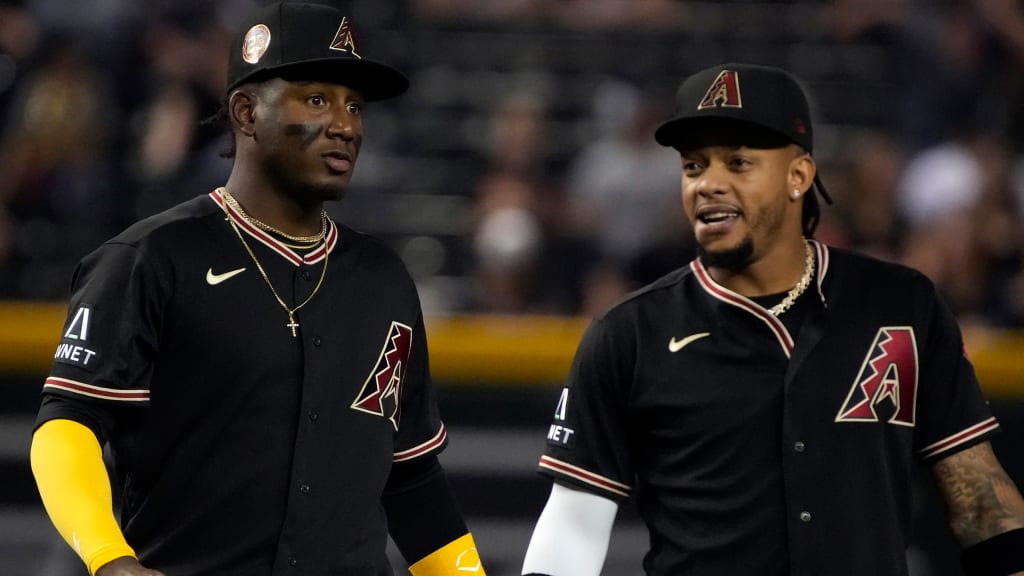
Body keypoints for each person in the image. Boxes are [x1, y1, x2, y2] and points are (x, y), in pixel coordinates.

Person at [29, 3, 485, 575]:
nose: (345, 124)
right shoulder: (150, 258)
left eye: (354, 106)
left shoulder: (383, 280)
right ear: (246, 111)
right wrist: (109, 560)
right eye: (317, 99)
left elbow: (412, 476)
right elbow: (67, 425)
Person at [520, 62, 1024, 576]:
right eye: (694, 166)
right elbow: (574, 523)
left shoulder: (900, 305)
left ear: (798, 175)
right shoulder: (629, 333)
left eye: (738, 162)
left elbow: (980, 497)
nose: (708, 184)